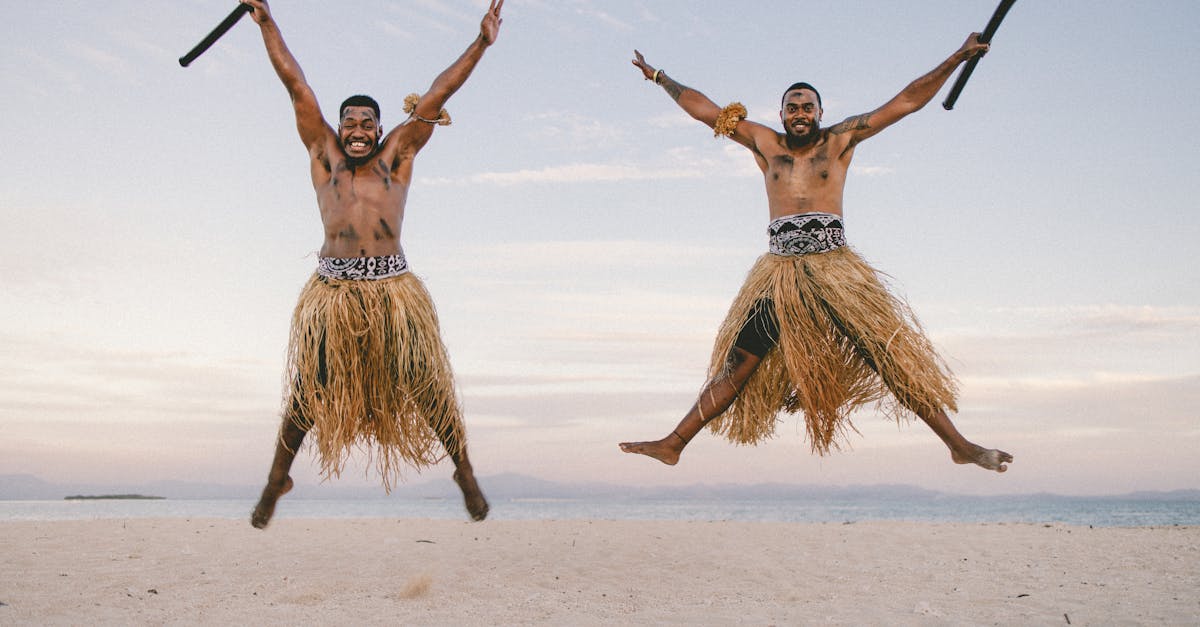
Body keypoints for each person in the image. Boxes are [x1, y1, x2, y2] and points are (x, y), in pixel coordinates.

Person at [619, 35, 1013, 474]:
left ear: (820, 113)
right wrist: (659, 77)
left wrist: (957, 57)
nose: (800, 113)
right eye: (793, 107)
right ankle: (674, 443)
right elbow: (704, 108)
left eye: (808, 107)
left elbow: (905, 102)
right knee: (738, 364)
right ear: (782, 113)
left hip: (836, 273)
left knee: (888, 357)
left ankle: (959, 445)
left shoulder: (840, 140)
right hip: (780, 276)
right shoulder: (764, 143)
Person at [242, 0, 503, 529]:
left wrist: (480, 43)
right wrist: (268, 22)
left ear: (381, 128)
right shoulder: (325, 158)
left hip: (393, 290)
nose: (358, 128)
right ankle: (276, 480)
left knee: (426, 382)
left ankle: (465, 472)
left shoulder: (397, 158)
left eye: (367, 121)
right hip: (333, 294)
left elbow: (440, 92)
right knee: (308, 387)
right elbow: (296, 85)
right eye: (349, 122)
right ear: (337, 129)